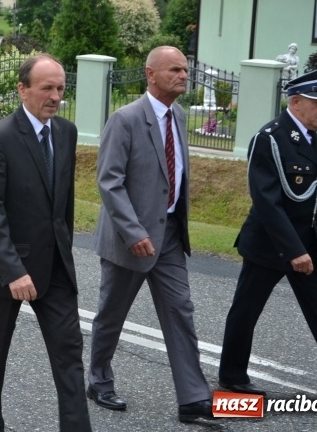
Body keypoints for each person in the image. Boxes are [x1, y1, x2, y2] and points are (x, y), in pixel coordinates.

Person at [218, 69, 317, 405]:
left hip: (310, 243)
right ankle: (232, 378)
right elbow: (267, 202)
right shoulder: (271, 138)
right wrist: (293, 250)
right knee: (246, 310)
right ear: (296, 101)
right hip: (270, 244)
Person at [88, 46, 215, 423]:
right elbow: (109, 181)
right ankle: (98, 379)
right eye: (174, 69)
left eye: (185, 70)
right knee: (112, 314)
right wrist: (132, 230)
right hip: (133, 239)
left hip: (171, 235)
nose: (183, 76)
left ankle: (193, 399)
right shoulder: (125, 119)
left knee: (180, 312)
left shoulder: (178, 115)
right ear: (150, 74)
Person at [0, 54, 91, 431]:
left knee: (69, 354)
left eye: (60, 88)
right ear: (23, 90)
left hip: (54, 268)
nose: (55, 96)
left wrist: (65, 249)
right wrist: (13, 271)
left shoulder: (66, 131)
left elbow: (63, 204)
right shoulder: (0, 137)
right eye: (47, 88)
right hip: (5, 269)